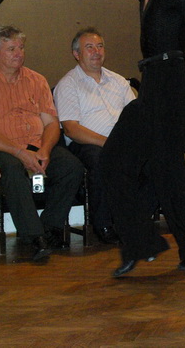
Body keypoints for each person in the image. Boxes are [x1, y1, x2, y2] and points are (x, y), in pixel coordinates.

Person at [73, 0, 185, 276]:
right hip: (150, 83)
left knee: (165, 170)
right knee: (115, 161)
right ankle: (143, 241)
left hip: (173, 85)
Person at [0, 25, 84, 261]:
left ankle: (49, 226)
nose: (19, 53)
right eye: (11, 49)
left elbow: (51, 123)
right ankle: (34, 236)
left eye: (20, 47)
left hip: (37, 145)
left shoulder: (36, 80)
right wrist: (20, 153)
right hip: (1, 148)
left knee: (71, 167)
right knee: (12, 169)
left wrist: (45, 150)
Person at [53, 27, 136, 245]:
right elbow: (71, 129)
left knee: (153, 157)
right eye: (89, 47)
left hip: (120, 141)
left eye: (100, 46)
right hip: (86, 144)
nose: (96, 51)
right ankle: (103, 224)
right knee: (101, 159)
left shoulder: (118, 81)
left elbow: (136, 116)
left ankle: (137, 220)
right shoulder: (68, 84)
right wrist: (109, 143)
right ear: (76, 54)